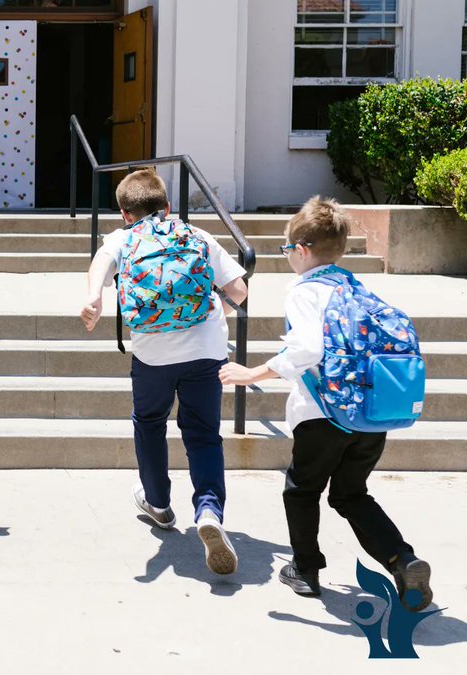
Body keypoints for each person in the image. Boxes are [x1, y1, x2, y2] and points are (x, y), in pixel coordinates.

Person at [219, 197, 432, 608]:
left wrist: (251, 374)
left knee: (301, 490)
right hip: (370, 415)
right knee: (351, 495)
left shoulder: (304, 291)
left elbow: (307, 349)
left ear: (301, 250)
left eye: (286, 251)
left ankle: (305, 570)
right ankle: (403, 560)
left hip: (322, 414)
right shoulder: (354, 286)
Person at [79, 168, 247, 575]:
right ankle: (208, 511)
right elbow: (240, 291)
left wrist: (93, 299)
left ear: (124, 213)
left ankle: (158, 503)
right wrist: (212, 312)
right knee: (203, 434)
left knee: (150, 423)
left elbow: (100, 265)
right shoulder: (197, 236)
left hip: (153, 355)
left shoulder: (123, 238)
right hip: (206, 351)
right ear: (168, 207)